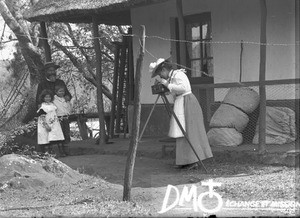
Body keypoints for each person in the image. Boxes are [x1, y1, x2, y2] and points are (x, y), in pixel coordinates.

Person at [149, 58, 213, 170]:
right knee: (181, 132)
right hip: (181, 103)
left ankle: (193, 160)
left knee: (189, 132)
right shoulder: (172, 77)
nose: (161, 76)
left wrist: (167, 84)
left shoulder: (179, 75)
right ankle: (185, 160)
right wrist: (166, 86)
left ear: (164, 69)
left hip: (187, 103)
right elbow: (174, 90)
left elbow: (184, 88)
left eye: (160, 73)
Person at [37, 89, 65, 154]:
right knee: (46, 138)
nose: (48, 98)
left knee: (55, 137)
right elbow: (42, 117)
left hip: (54, 123)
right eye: (46, 97)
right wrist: (46, 125)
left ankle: (59, 152)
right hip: (46, 124)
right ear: (43, 98)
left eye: (49, 97)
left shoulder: (52, 105)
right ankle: (46, 153)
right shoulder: (43, 106)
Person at [53, 84, 72, 156]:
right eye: (60, 91)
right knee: (60, 134)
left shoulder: (65, 99)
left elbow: (68, 108)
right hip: (59, 118)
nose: (62, 93)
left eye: (63, 91)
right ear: (56, 92)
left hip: (65, 118)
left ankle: (66, 150)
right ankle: (61, 151)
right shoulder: (54, 100)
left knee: (66, 133)